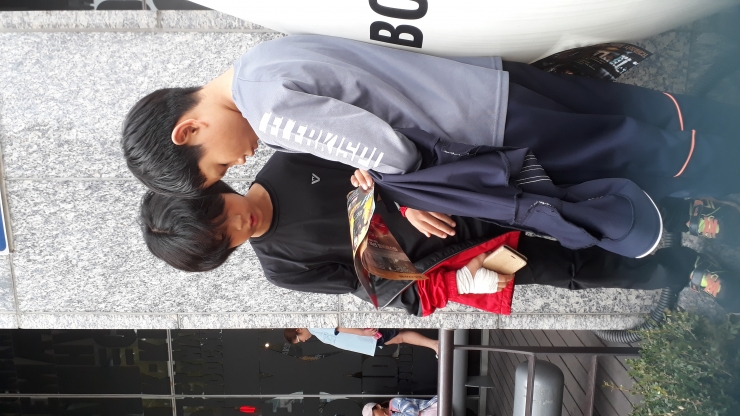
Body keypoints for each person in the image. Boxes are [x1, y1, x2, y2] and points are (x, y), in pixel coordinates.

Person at [121, 35, 740, 205]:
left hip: (488, 126)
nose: (244, 160)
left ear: (189, 130)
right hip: (485, 79)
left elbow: (392, 153)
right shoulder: (261, 56)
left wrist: (387, 185)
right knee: (628, 111)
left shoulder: (271, 112)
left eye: (221, 164)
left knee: (639, 153)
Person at [139, 152, 740, 315]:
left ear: (214, 190)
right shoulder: (282, 268)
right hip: (462, 263)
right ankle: (686, 271)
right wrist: (455, 282)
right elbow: (376, 289)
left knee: (574, 196)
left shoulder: (289, 161)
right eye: (226, 241)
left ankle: (688, 216)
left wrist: (396, 194)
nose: (239, 225)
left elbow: (388, 145)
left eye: (221, 215)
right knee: (570, 270)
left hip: (468, 193)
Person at [284, 328, 439, 356]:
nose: (303, 340)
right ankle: (434, 344)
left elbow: (339, 328)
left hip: (366, 337)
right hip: (366, 339)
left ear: (298, 329)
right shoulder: (315, 331)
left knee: (400, 335)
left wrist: (362, 333)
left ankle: (434, 344)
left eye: (299, 339)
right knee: (400, 336)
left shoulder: (314, 326)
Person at [363, 397, 438, 416]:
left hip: (432, 409)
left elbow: (412, 411)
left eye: (374, 415)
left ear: (378, 406)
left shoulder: (394, 403)